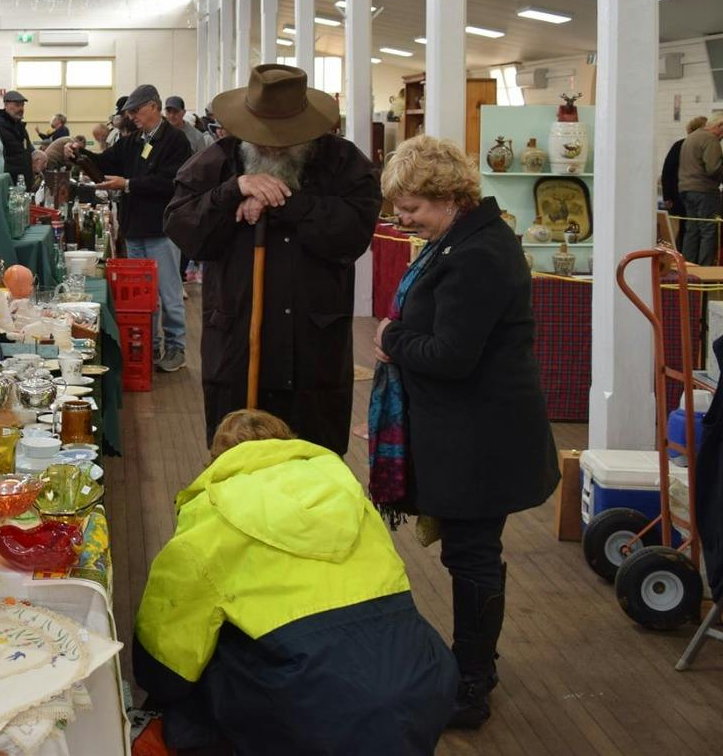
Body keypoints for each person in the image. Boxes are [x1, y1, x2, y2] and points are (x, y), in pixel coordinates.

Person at [132, 410, 456, 756]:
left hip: (311, 709)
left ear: (218, 460)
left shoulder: (211, 516)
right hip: (422, 682)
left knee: (196, 662)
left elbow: (163, 668)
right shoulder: (349, 497)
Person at [376, 135, 559, 729]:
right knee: (470, 553)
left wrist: (391, 341)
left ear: (448, 195)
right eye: (398, 209)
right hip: (473, 432)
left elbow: (452, 355)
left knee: (474, 556)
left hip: (484, 439)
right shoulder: (465, 239)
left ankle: (472, 683)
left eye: (411, 209)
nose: (401, 221)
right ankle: (476, 663)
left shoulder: (477, 253)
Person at [165, 65, 378, 454]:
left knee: (312, 463)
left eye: (285, 138)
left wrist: (286, 204)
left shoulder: (344, 164)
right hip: (237, 343)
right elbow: (182, 225)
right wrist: (233, 191)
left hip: (312, 349)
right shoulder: (220, 162)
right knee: (237, 462)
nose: (273, 147)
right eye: (262, 137)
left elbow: (354, 233)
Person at [76, 84, 192, 373]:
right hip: (135, 229)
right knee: (144, 296)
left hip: (161, 229)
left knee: (169, 293)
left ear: (154, 106)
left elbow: (171, 183)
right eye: (129, 113)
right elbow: (105, 161)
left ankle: (176, 347)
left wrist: (127, 184)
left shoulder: (175, 141)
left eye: (136, 111)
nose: (132, 117)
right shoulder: (134, 141)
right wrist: (78, 153)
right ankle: (149, 345)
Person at [676, 111, 723, 266]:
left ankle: (688, 268)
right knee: (708, 231)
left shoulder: (692, 137)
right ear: (719, 126)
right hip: (705, 192)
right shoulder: (711, 140)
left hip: (686, 189)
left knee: (692, 230)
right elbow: (713, 168)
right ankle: (705, 270)